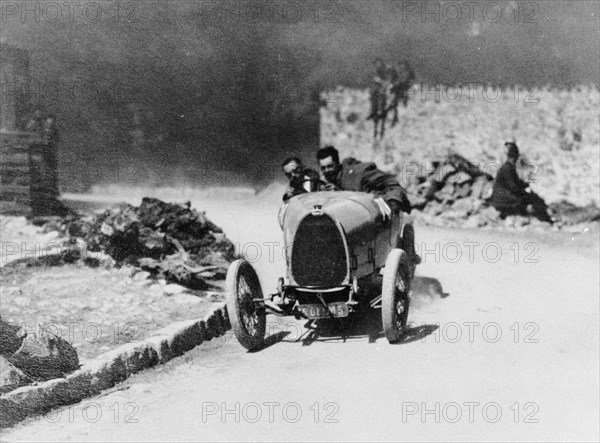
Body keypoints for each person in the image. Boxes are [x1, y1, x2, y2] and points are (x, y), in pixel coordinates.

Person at [316, 146, 412, 214]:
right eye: (323, 168)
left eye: (330, 166)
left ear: (338, 164)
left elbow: (391, 182)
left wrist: (392, 203)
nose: (327, 171)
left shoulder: (358, 173)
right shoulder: (323, 183)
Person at [489, 142, 533, 218]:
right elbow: (513, 186)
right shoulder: (507, 168)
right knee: (524, 199)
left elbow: (515, 182)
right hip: (501, 198)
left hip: (502, 195)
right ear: (514, 157)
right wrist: (523, 189)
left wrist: (524, 185)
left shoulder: (509, 166)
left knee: (527, 196)